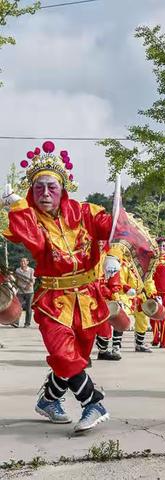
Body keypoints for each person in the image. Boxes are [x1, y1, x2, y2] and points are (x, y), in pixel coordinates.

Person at [1, 141, 111, 432]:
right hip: (53, 298)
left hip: (88, 297)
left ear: (63, 189)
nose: (45, 194)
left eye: (52, 187)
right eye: (39, 188)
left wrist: (116, 246)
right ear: (30, 192)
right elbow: (36, 244)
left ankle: (49, 400)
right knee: (63, 354)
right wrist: (18, 207)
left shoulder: (85, 211)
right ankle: (93, 402)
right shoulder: (26, 218)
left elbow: (109, 226)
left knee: (77, 358)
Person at [14, 257, 35, 327]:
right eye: (21, 261)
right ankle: (16, 322)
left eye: (24, 261)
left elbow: (33, 280)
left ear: (27, 262)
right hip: (20, 292)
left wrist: (29, 286)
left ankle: (27, 323)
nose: (23, 263)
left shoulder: (31, 270)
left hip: (30, 292)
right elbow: (16, 280)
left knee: (28, 307)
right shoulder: (17, 270)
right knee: (18, 307)